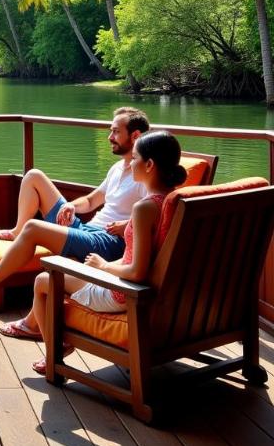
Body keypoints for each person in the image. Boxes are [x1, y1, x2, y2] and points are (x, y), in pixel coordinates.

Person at [0, 107, 150, 338]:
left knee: (34, 228)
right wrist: (71, 206)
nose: (110, 137)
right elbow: (91, 200)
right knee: (34, 176)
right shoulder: (117, 168)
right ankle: (18, 232)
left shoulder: (145, 172)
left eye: (116, 132)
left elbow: (152, 211)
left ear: (135, 136)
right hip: (88, 230)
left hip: (107, 241)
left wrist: (126, 224)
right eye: (110, 131)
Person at [28, 130, 187, 374]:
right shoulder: (178, 200)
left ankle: (54, 353)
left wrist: (103, 266)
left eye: (134, 158)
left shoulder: (145, 208)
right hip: (167, 294)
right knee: (68, 265)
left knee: (42, 281)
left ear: (150, 165)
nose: (130, 163)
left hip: (126, 293)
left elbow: (137, 272)